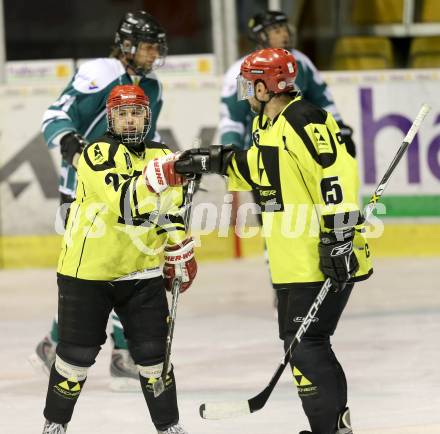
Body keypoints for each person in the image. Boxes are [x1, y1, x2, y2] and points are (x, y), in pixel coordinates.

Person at [174, 48, 373, 434]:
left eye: (250, 84)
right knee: (300, 344)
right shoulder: (267, 123)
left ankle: (331, 430)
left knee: (307, 344)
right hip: (289, 258)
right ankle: (331, 428)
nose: (245, 91)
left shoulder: (304, 118)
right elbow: (263, 172)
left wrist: (340, 235)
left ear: (268, 86)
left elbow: (336, 174)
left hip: (317, 255)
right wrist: (216, 161)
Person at [41, 84, 195, 434]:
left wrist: (178, 246)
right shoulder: (97, 153)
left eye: (136, 112)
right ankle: (55, 424)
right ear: (111, 117)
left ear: (147, 116)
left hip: (141, 272)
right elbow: (126, 202)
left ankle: (169, 426)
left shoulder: (161, 153)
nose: (129, 120)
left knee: (156, 356)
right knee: (75, 357)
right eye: (122, 113)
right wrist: (162, 175)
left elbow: (170, 208)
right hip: (87, 272)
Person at [32, 10, 168, 391]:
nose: (154, 53)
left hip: (122, 188)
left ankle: (112, 351)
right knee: (91, 272)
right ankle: (64, 344)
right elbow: (55, 114)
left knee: (129, 263)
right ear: (127, 45)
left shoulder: (153, 88)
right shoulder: (102, 72)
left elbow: (142, 140)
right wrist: (69, 144)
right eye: (148, 45)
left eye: (158, 46)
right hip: (80, 188)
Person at [220, 10, 356, 157]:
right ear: (260, 36)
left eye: (285, 29)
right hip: (258, 153)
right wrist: (231, 150)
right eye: (277, 31)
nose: (284, 35)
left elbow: (321, 99)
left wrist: (338, 128)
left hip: (300, 149)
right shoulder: (246, 70)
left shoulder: (300, 62)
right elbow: (234, 118)